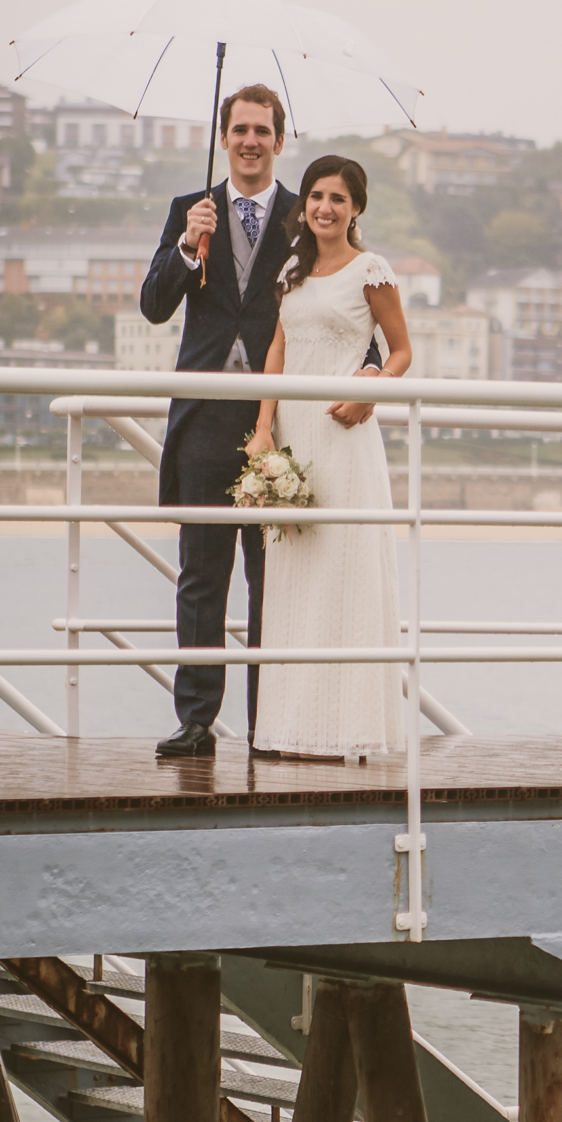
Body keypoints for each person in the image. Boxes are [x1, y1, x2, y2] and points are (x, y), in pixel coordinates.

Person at [140, 84, 389, 760]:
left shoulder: (300, 215)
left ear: (280, 140)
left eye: (262, 130)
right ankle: (195, 720)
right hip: (203, 420)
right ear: (224, 136)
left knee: (273, 579)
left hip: (279, 426)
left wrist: (369, 372)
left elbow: (337, 302)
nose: (250, 140)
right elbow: (153, 305)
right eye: (239, 128)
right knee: (200, 575)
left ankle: (264, 725)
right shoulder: (187, 211)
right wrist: (188, 248)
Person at [245, 154, 412, 760]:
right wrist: (263, 429)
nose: (324, 207)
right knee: (293, 582)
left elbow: (400, 351)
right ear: (304, 203)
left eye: (338, 198)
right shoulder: (293, 268)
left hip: (343, 438)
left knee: (346, 578)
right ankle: (289, 732)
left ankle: (350, 732)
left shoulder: (371, 269)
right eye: (316, 195)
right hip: (293, 439)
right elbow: (276, 350)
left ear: (356, 208)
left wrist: (370, 387)